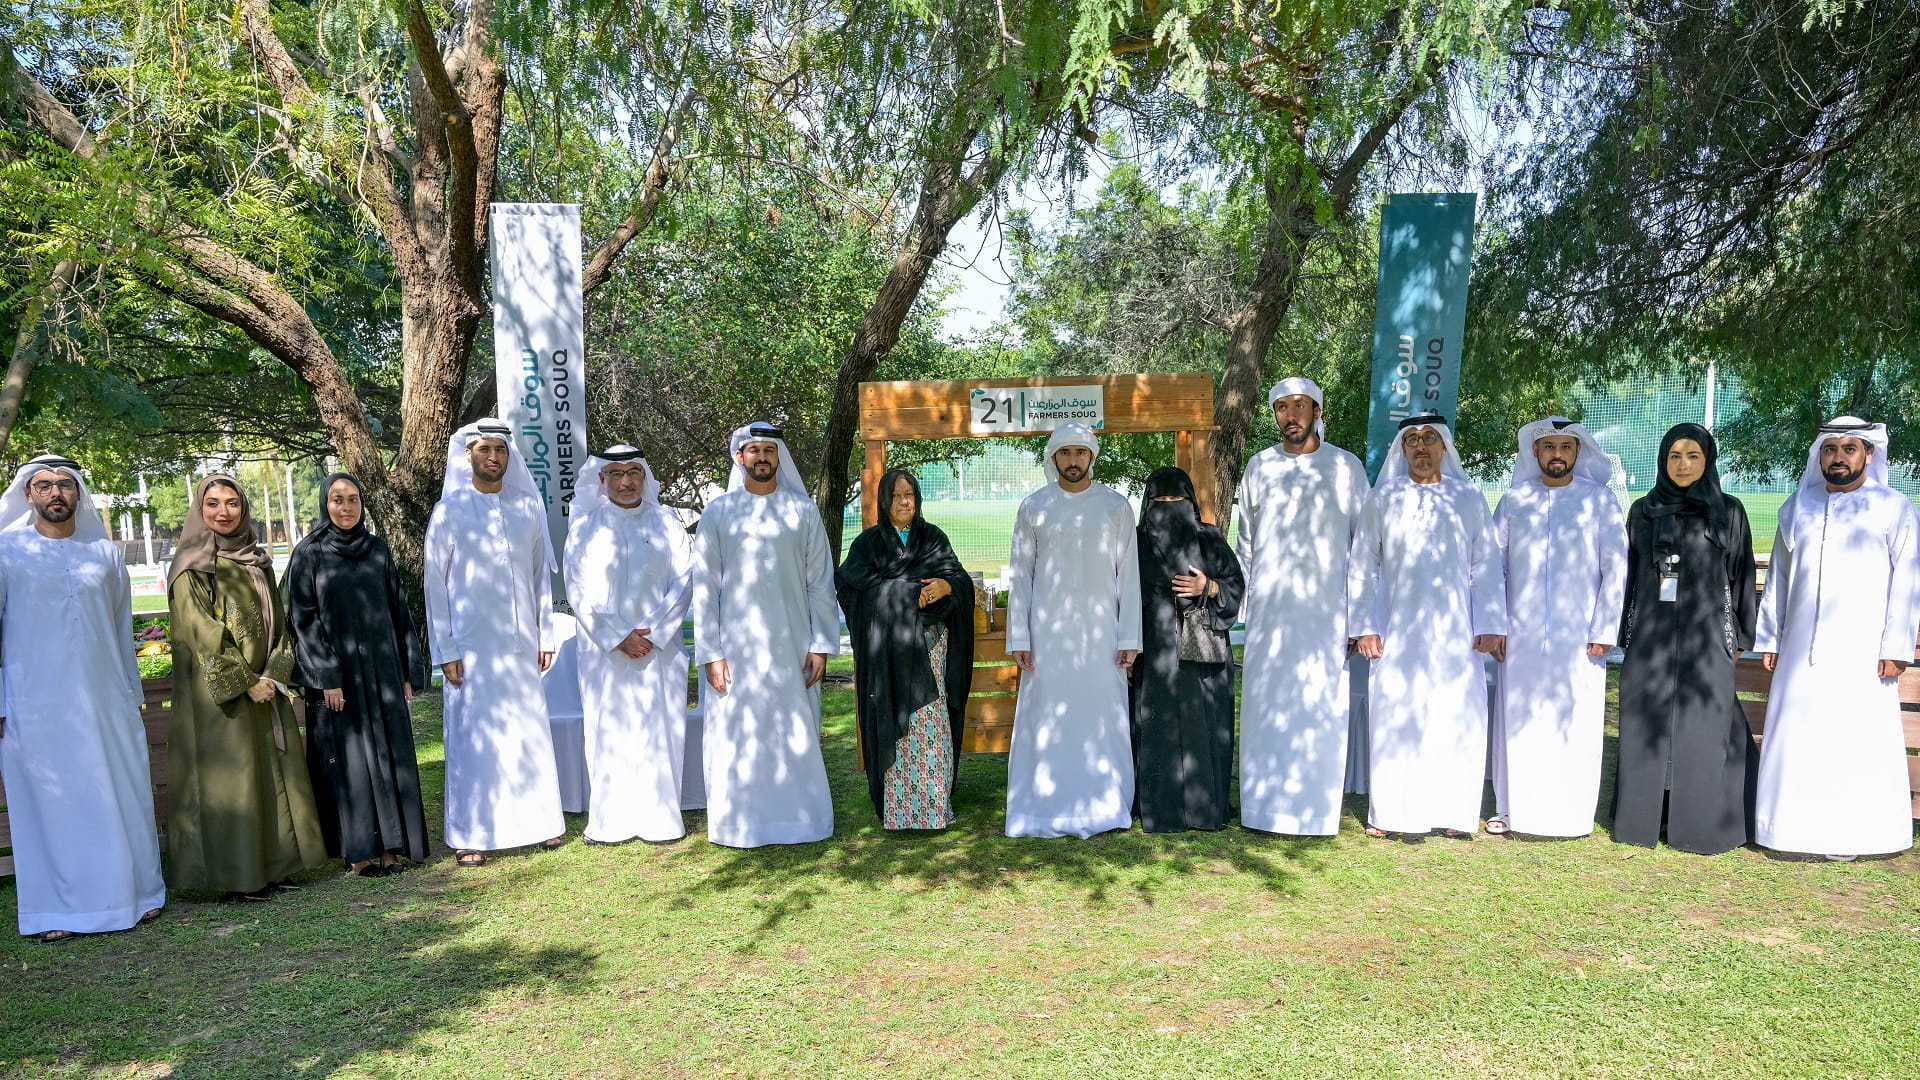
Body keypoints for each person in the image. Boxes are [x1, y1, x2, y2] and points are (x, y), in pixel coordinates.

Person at [0, 456, 165, 940]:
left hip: (107, 700)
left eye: (65, 485)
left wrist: (131, 695)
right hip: (34, 705)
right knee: (54, 803)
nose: (55, 493)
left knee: (120, 794)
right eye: (44, 485)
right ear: (28, 494)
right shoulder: (5, 551)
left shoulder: (105, 554)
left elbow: (119, 628)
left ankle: (138, 895)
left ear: (78, 494)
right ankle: (59, 913)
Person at [1755, 419, 1918, 861]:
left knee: (1856, 739)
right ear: (1819, 456)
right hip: (1799, 649)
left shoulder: (1894, 507)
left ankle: (1863, 836)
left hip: (1864, 653)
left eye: (1849, 448)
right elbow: (1779, 578)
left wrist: (1896, 647)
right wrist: (1770, 637)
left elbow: (1908, 580)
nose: (1839, 457)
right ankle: (1789, 833)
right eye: (1830, 449)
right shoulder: (1797, 506)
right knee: (1798, 737)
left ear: (1868, 454)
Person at [165, 474, 327, 894]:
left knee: (270, 775)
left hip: (265, 688)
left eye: (232, 503)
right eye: (213, 503)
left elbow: (280, 624)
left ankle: (275, 867)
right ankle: (239, 876)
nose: (223, 512)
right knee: (234, 779)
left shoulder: (255, 559)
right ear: (199, 509)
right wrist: (245, 681)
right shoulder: (192, 564)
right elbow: (200, 630)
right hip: (221, 694)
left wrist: (273, 673)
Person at [1349, 413, 1506, 840]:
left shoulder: (1468, 497)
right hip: (1396, 632)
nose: (1421, 446)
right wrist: (1364, 626)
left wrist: (1491, 622)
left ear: (1444, 447)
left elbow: (1486, 565)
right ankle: (1391, 813)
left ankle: (1454, 812)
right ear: (1402, 449)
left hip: (1458, 634)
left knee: (1456, 714)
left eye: (1430, 438)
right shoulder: (1383, 498)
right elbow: (1363, 566)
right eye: (1413, 439)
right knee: (1396, 713)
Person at [690, 423, 841, 847]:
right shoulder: (719, 513)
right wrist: (711, 653)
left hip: (793, 647)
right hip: (734, 651)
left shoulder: (802, 511)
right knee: (739, 734)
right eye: (753, 450)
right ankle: (740, 824)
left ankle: (802, 822)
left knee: (793, 730)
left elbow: (820, 583)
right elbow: (705, 588)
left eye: (769, 450)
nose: (761, 457)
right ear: (740, 458)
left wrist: (821, 645)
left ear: (779, 458)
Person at [424, 420, 567, 867]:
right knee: (474, 740)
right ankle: (472, 833)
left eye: (500, 450)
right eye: (485, 449)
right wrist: (446, 649)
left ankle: (539, 824)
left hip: (522, 645)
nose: (493, 457)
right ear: (468, 455)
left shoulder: (527, 507)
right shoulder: (449, 511)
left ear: (509, 456)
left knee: (526, 732)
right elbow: (434, 584)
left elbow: (539, 577)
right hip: (470, 650)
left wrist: (544, 633)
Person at [1234, 377, 1370, 836]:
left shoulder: (1346, 467)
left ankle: (1314, 814)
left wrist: (1358, 619)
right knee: (1267, 711)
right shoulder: (1259, 466)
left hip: (1326, 616)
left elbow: (1363, 548)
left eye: (1299, 406)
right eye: (1282, 408)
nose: (1290, 415)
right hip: (1270, 616)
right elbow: (1246, 545)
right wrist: (1245, 612)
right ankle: (1262, 810)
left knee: (1318, 709)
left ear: (1316, 411)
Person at [1613, 423, 1758, 855]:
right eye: (1675, 456)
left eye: (1693, 456)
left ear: (1707, 461)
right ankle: (1643, 819)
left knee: (1703, 726)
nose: (1683, 465)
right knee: (1647, 721)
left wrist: (1739, 637)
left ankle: (1699, 822)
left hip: (1707, 636)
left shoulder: (1728, 511)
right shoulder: (1643, 511)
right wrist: (1625, 632)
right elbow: (1628, 576)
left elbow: (1742, 575)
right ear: (1663, 461)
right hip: (1651, 636)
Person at [1489, 417, 1629, 838]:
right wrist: (1495, 624)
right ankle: (1511, 810)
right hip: (1520, 635)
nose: (1556, 454)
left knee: (1575, 722)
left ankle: (1571, 815)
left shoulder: (1599, 500)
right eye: (1548, 447)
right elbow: (1492, 567)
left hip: (1580, 638)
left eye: (1565, 447)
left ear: (1577, 452)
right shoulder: (1514, 500)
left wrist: (1604, 629)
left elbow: (1616, 566)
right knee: (1519, 720)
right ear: (1535, 452)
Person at [1003, 422, 1143, 838]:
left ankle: (1105, 805)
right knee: (1047, 719)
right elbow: (1021, 576)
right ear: (1054, 458)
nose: (1073, 460)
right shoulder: (1034, 507)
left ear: (1092, 457)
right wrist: (1020, 637)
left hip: (1102, 639)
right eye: (1065, 453)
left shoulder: (1116, 507)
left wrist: (1129, 637)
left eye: (1080, 452)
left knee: (1101, 719)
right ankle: (1042, 809)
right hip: (1047, 640)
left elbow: (1128, 577)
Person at [285, 473, 428, 877]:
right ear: (324, 504)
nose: (346, 507)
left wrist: (406, 670)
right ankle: (358, 851)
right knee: (350, 761)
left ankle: (391, 846)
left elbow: (398, 610)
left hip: (382, 672)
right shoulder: (309, 553)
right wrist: (327, 675)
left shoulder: (376, 549)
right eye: (337, 499)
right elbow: (302, 619)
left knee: (388, 755)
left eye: (353, 499)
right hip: (339, 679)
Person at [564, 446, 695, 845]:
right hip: (606, 653)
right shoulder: (585, 528)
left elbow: (685, 581)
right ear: (602, 480)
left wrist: (651, 632)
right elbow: (578, 589)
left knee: (661, 729)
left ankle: (662, 819)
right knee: (608, 729)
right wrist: (620, 636)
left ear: (644, 477)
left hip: (659, 651)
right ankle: (610, 822)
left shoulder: (668, 523)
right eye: (617, 474)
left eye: (634, 472)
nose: (625, 482)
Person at [835, 469, 976, 829]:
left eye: (909, 494)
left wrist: (945, 586)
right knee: (893, 721)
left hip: (930, 652)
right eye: (896, 496)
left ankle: (933, 808)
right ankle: (898, 810)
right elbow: (851, 588)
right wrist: (906, 593)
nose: (903, 502)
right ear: (884, 500)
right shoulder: (868, 545)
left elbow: (960, 579)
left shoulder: (933, 538)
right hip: (887, 659)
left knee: (930, 726)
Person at [1130, 466, 1244, 832]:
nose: (1168, 506)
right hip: (1152, 652)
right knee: (1154, 725)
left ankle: (1204, 808)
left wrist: (1208, 587)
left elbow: (1235, 585)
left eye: (1176, 499)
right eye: (1160, 500)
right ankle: (1157, 808)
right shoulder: (1133, 543)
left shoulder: (1209, 539)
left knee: (1202, 727)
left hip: (1202, 654)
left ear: (1190, 502)